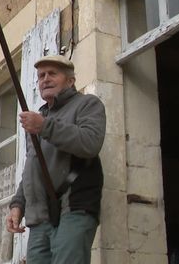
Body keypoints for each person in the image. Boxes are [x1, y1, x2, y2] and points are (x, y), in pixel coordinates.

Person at [6, 54, 106, 264]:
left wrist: (44, 127)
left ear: (70, 81)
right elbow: (32, 167)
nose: (45, 79)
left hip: (75, 207)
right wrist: (18, 204)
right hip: (40, 217)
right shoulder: (39, 119)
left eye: (52, 73)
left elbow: (90, 142)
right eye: (41, 75)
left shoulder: (87, 104)